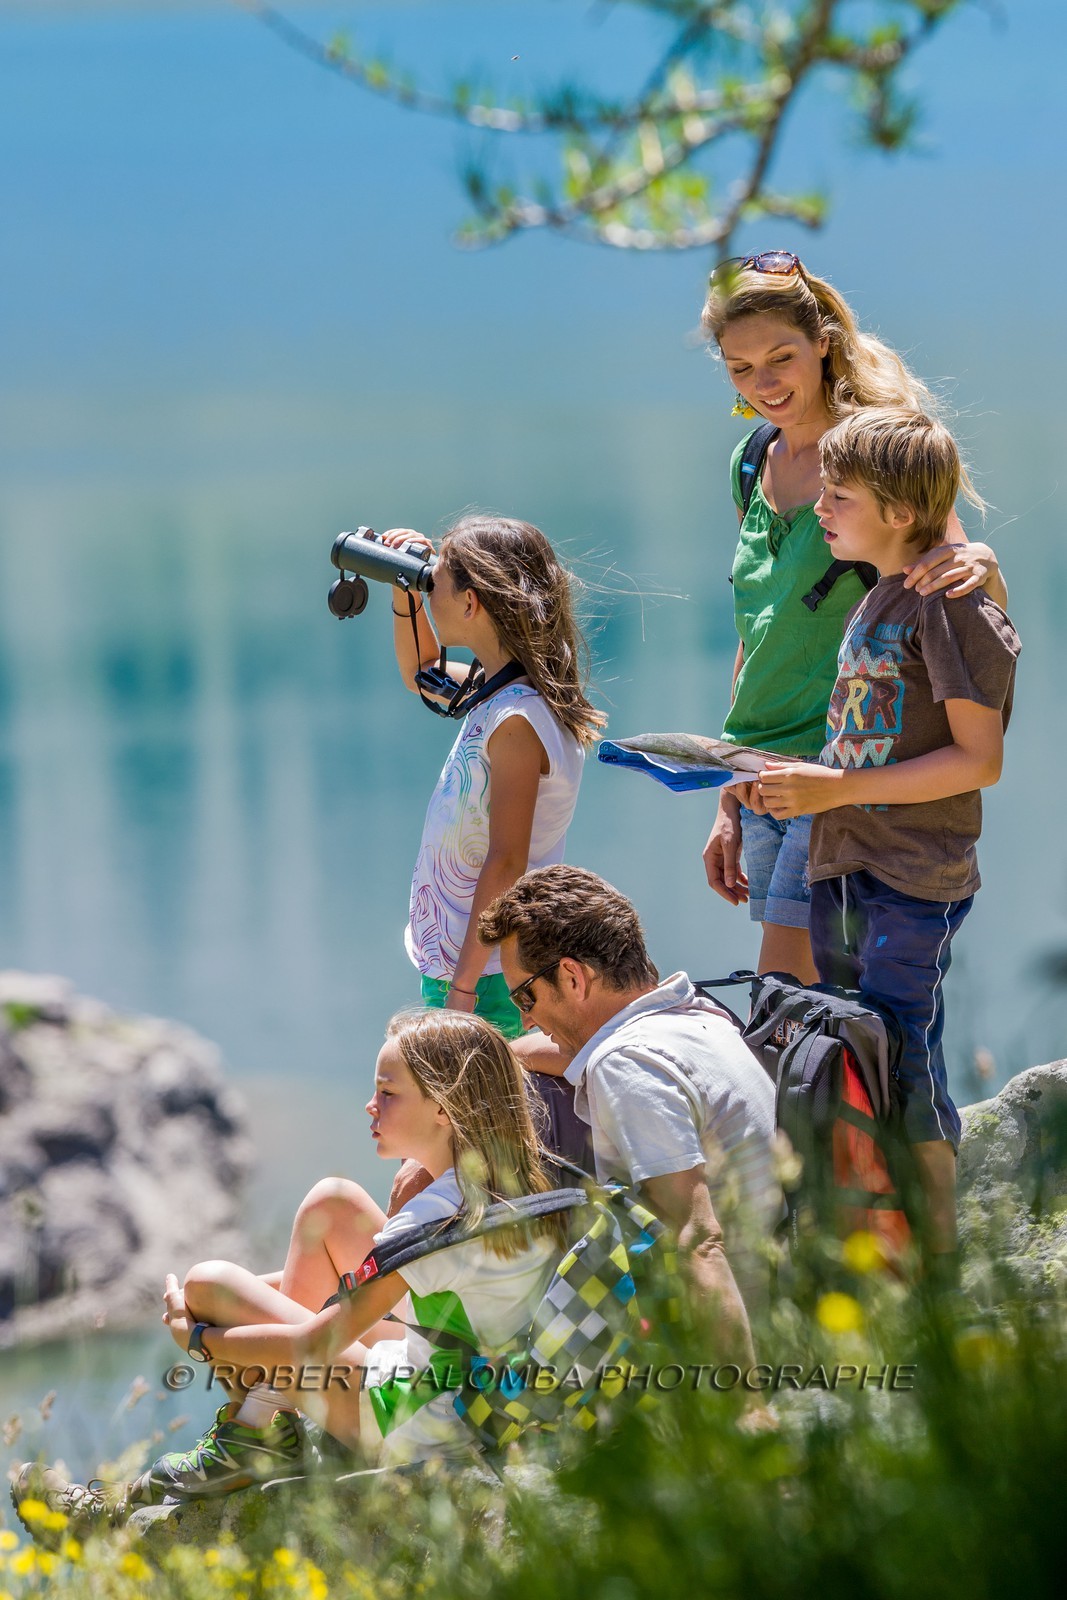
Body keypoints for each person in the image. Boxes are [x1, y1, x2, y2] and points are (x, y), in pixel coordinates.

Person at [13, 1010, 569, 1525]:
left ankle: (250, 1433)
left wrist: (204, 1336)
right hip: (466, 1387)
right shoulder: (509, 1190)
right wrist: (247, 1303)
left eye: (387, 1092)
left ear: (444, 1110)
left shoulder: (431, 1219)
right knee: (333, 1204)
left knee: (209, 1282)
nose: (370, 1106)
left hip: (416, 1422)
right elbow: (374, 1293)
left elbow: (313, 1347)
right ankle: (263, 1422)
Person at [753, 408, 1020, 1277]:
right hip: (844, 863)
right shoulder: (874, 593)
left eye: (838, 495)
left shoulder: (948, 605)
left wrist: (841, 789)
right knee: (852, 1049)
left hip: (910, 876)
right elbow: (867, 736)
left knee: (903, 1053)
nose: (818, 509)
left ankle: (940, 1263)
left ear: (901, 511)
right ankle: (879, 1246)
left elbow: (978, 761)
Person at [699, 251, 1008, 985]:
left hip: (835, 777)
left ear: (823, 342)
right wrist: (724, 787)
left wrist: (984, 563)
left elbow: (951, 595)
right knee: (816, 1015)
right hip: (761, 779)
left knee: (785, 1001)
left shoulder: (868, 458)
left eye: (780, 358)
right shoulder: (753, 460)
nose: (763, 384)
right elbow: (759, 633)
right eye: (740, 370)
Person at [478, 864, 782, 1358]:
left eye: (523, 995)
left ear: (572, 976)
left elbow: (697, 1239)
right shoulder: (697, 1016)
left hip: (724, 1339)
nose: (524, 1017)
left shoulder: (624, 1067)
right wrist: (501, 1056)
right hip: (782, 1285)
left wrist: (745, 1408)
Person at [381, 514, 604, 1040]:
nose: (426, 589)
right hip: (465, 964)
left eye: (433, 582)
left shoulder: (516, 722)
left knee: (483, 1120)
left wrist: (462, 991)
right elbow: (422, 674)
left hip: (483, 978)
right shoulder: (502, 695)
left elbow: (508, 860)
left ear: (471, 602)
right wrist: (404, 592)